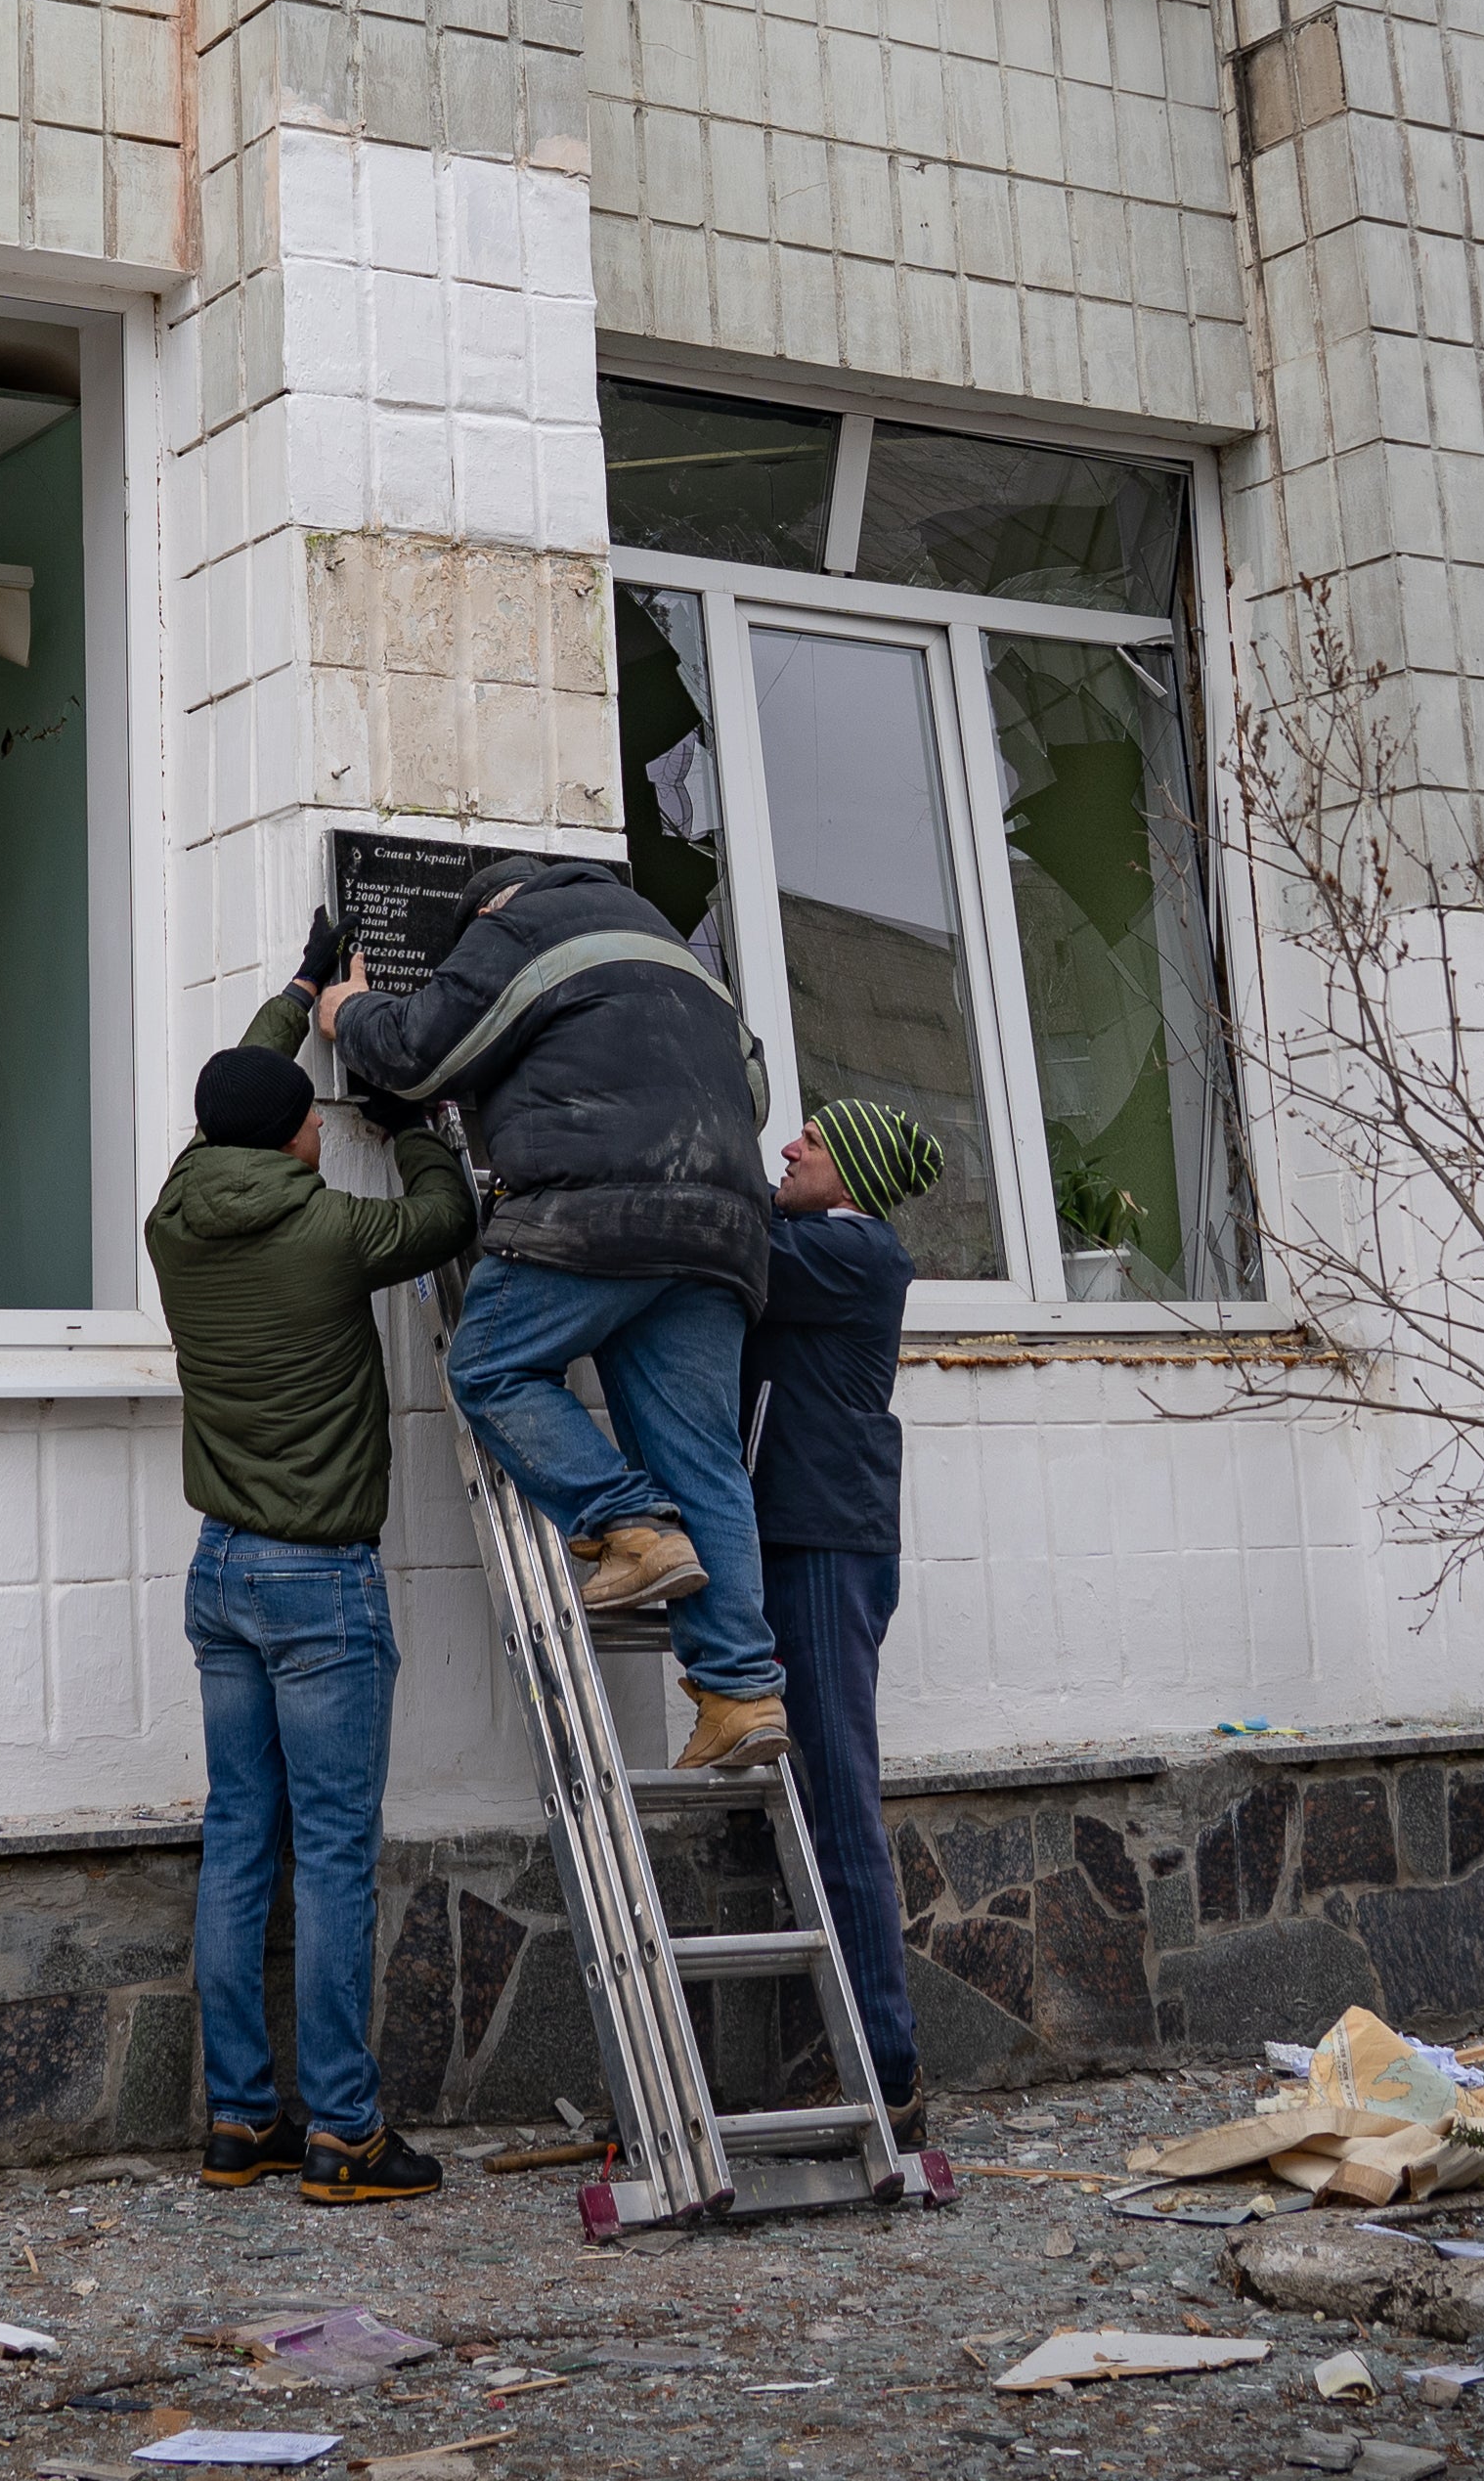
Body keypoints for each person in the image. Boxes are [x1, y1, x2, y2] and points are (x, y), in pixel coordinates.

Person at [324, 848, 786, 1771]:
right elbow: (758, 1096)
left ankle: (630, 1525)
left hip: (596, 1211)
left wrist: (348, 1014)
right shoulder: (684, 957)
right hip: (723, 1233)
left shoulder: (518, 925)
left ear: (491, 904)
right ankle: (741, 1693)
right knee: (703, 1459)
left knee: (489, 1365)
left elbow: (421, 1050)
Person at [147, 964, 475, 2208]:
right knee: (333, 1857)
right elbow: (444, 1223)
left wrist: (294, 993)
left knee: (239, 1840)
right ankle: (344, 2131)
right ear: (297, 1132)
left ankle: (242, 2120)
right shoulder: (331, 1230)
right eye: (311, 1121)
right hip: (318, 1584)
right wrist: (419, 1132)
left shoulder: (176, 1211)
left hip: (219, 1568)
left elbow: (232, 1094)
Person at [748, 1099, 933, 2137]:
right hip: (805, 1532)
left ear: (849, 1169)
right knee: (820, 1790)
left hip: (825, 1543)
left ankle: (892, 2068)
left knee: (843, 1795)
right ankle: (860, 2053)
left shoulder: (857, 1254)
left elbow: (739, 1246)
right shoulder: (826, 1246)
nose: (788, 1146)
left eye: (809, 1141)